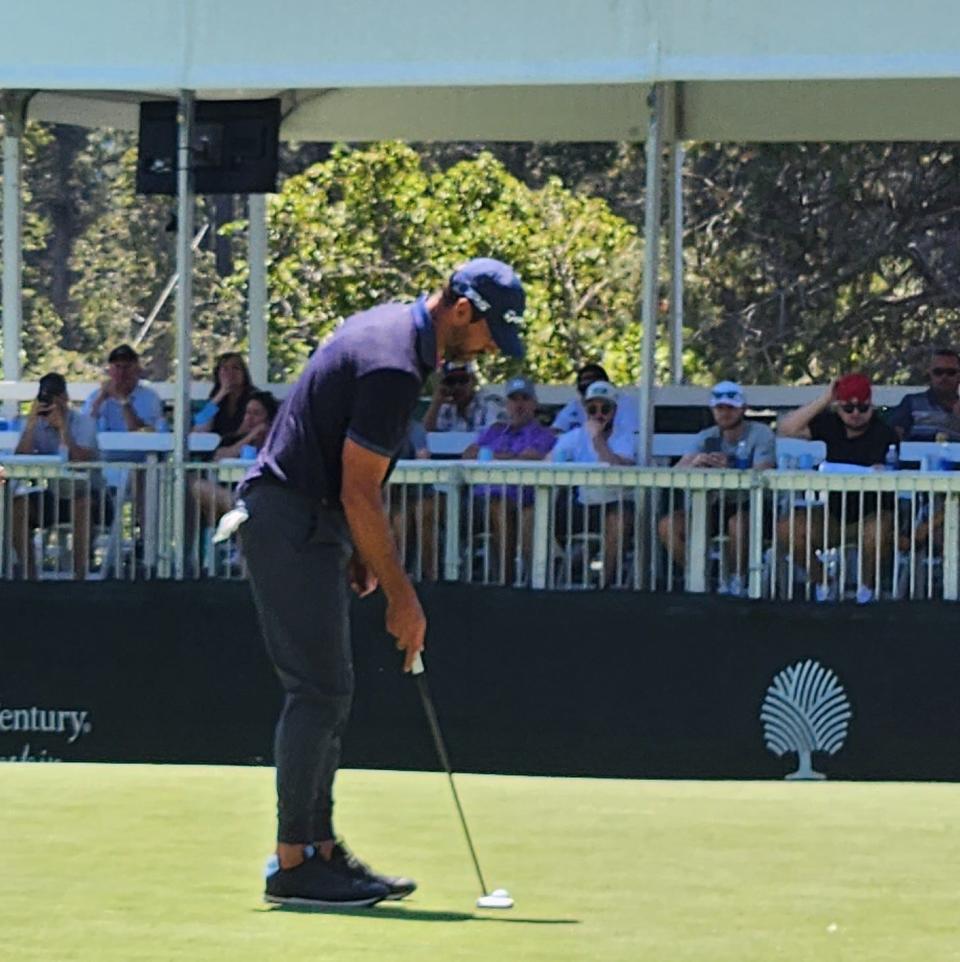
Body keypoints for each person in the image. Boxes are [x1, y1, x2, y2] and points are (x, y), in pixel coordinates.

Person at [235, 257, 526, 907]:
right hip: (289, 519)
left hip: (306, 517)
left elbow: (347, 473)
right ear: (461, 310)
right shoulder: (395, 364)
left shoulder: (390, 328)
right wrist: (404, 598)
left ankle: (321, 851)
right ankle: (295, 862)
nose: (488, 350)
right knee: (317, 689)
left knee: (328, 688)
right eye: (489, 334)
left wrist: (359, 550)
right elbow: (359, 490)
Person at [777, 373, 899, 603]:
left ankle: (866, 590)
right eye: (848, 408)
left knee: (877, 531)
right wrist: (825, 398)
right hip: (834, 515)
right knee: (787, 528)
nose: (855, 414)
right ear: (838, 407)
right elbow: (786, 428)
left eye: (862, 408)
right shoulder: (829, 425)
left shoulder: (884, 432)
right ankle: (822, 580)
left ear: (871, 406)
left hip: (873, 515)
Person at [656, 381, 775, 596]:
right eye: (720, 408)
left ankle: (736, 582)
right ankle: (702, 577)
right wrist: (695, 463)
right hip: (709, 506)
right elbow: (674, 472)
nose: (725, 413)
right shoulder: (705, 436)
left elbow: (763, 471)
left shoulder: (761, 433)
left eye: (731, 407)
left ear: (743, 409)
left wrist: (731, 467)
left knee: (736, 523)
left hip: (753, 505)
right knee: (668, 525)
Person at [11, 373, 108, 580]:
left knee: (82, 504)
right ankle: (29, 575)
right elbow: (21, 458)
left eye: (54, 398)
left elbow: (81, 460)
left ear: (64, 397)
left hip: (89, 494)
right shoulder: (37, 423)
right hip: (55, 493)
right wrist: (30, 424)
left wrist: (63, 428)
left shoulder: (84, 423)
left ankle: (79, 576)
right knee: (17, 506)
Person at [463, 376, 556, 584]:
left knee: (500, 506)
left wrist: (491, 455)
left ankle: (505, 581)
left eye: (525, 399)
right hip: (477, 503)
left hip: (521, 500)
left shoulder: (543, 435)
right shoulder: (493, 431)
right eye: (514, 399)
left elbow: (532, 456)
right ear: (507, 404)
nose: (519, 405)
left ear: (534, 404)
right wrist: (509, 456)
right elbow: (468, 453)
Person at [551, 381, 636, 586]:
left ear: (614, 411)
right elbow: (551, 460)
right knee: (540, 511)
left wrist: (598, 439)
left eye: (605, 409)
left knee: (621, 517)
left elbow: (616, 464)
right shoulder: (574, 436)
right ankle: (550, 575)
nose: (599, 414)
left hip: (616, 502)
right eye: (592, 409)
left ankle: (605, 585)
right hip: (583, 505)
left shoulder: (624, 437)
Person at [190, 391, 279, 526]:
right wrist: (248, 437)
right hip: (230, 494)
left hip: (265, 496)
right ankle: (241, 509)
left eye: (256, 413)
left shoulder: (277, 443)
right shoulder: (231, 437)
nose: (249, 418)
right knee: (198, 486)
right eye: (247, 413)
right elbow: (217, 457)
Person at [82, 344, 164, 461]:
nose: (121, 373)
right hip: (102, 460)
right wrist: (100, 400)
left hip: (138, 462)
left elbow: (138, 431)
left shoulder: (150, 398)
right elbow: (84, 429)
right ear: (110, 370)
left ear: (137, 370)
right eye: (117, 367)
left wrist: (123, 400)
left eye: (126, 367)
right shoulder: (95, 396)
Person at [888, 347, 960, 441]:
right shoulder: (912, 403)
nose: (944, 377)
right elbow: (894, 436)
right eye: (938, 372)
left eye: (951, 372)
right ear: (930, 373)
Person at [551, 362, 637, 436]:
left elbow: (631, 433)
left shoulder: (625, 404)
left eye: (605, 409)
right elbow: (556, 431)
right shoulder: (575, 405)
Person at [422, 360, 503, 433]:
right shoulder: (446, 407)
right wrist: (436, 402)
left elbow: (496, 432)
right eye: (451, 381)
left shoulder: (487, 402)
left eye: (462, 380)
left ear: (473, 380)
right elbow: (429, 429)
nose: (457, 386)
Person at [192, 352, 256, 438]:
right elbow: (198, 430)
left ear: (244, 373)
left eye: (235, 368)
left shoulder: (255, 397)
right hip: (216, 446)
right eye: (225, 368)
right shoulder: (215, 397)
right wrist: (221, 393)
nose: (230, 372)